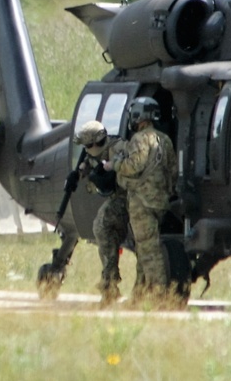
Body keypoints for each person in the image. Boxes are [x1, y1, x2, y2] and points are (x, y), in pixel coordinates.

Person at [109, 97, 177, 304]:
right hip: (159, 202)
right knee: (143, 248)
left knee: (150, 252)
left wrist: (116, 164)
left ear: (139, 117)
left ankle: (159, 296)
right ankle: (139, 296)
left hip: (142, 203)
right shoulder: (164, 140)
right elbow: (173, 171)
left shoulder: (139, 139)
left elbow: (134, 166)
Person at [72, 120, 130, 306]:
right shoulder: (101, 152)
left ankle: (110, 283)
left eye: (88, 145)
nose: (87, 150)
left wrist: (105, 170)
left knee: (102, 226)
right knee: (103, 229)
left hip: (131, 197)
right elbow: (90, 164)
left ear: (97, 142)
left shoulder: (120, 148)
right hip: (123, 198)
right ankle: (110, 283)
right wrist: (78, 174)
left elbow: (119, 171)